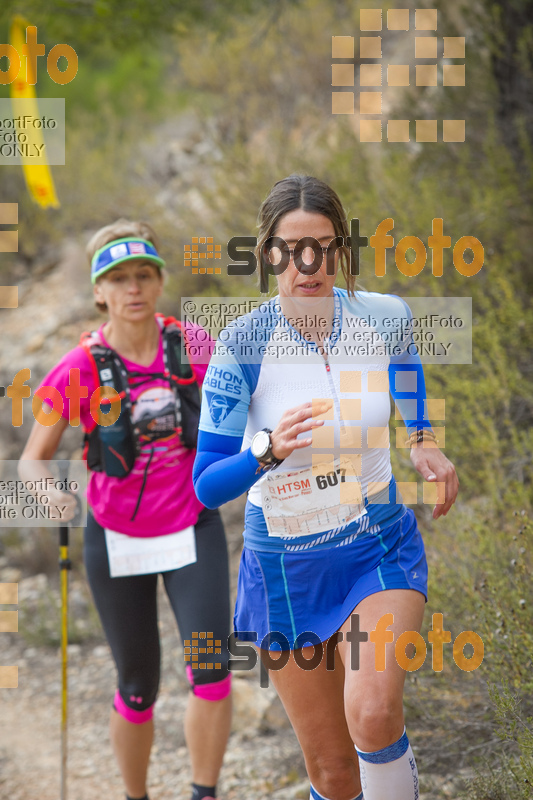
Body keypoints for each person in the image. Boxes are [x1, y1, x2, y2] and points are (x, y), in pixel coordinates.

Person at [193, 175, 459, 800]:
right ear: (267, 255)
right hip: (286, 567)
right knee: (333, 774)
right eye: (290, 250)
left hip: (376, 545)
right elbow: (206, 486)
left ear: (341, 250)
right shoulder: (241, 346)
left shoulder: (385, 316)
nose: (307, 264)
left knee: (372, 712)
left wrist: (422, 437)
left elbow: (406, 372)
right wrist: (267, 451)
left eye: (322, 247)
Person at [20, 220, 232, 800]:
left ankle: (203, 793)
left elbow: (247, 409)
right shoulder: (79, 367)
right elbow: (32, 461)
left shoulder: (195, 345)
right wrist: (52, 495)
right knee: (138, 687)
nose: (132, 288)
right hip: (117, 537)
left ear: (160, 282)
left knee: (212, 674)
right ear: (99, 292)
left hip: (194, 525)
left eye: (143, 275)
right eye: (118, 279)